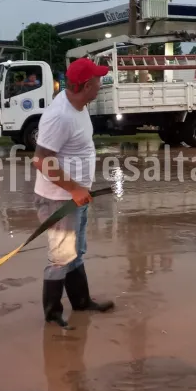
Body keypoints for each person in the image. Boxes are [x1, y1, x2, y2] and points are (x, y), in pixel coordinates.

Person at [32, 57, 115, 328]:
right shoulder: (60, 115)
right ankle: (53, 314)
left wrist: (80, 190)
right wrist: (74, 188)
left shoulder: (78, 106)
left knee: (75, 252)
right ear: (88, 85)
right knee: (60, 257)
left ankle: (81, 302)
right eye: (99, 81)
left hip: (75, 196)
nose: (101, 85)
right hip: (59, 200)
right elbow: (41, 160)